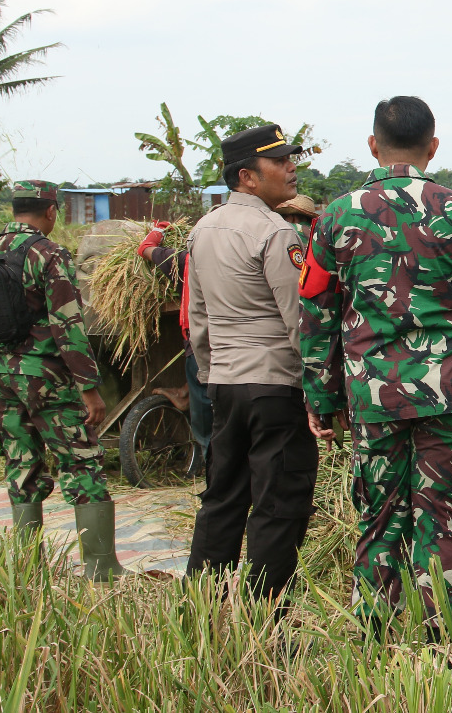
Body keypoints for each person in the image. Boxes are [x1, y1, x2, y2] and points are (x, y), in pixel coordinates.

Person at [299, 96, 452, 635]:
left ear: (373, 145)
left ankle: (374, 638)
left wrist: (320, 398)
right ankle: (441, 638)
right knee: (443, 516)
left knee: (378, 516)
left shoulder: (336, 215)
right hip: (450, 394)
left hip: (373, 397)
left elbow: (316, 314)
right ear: (433, 146)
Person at [0, 179, 126, 580]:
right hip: (47, 379)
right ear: (51, 211)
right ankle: (101, 567)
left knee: (21, 465)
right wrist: (89, 387)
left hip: (4, 378)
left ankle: (26, 569)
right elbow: (68, 324)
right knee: (81, 462)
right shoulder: (49, 254)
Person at [184, 123, 316, 606]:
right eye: (279, 161)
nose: (291, 167)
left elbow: (198, 319)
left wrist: (211, 374)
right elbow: (298, 322)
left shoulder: (203, 229)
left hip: (225, 382)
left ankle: (202, 612)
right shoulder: (275, 232)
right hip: (274, 387)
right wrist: (319, 391)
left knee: (221, 498)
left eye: (290, 158)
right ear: (248, 177)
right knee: (278, 507)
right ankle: (266, 622)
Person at [137, 222, 212, 473]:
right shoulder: (242, 254)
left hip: (199, 344)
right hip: (236, 344)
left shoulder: (183, 259)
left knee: (205, 408)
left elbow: (145, 248)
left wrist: (159, 229)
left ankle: (211, 464)